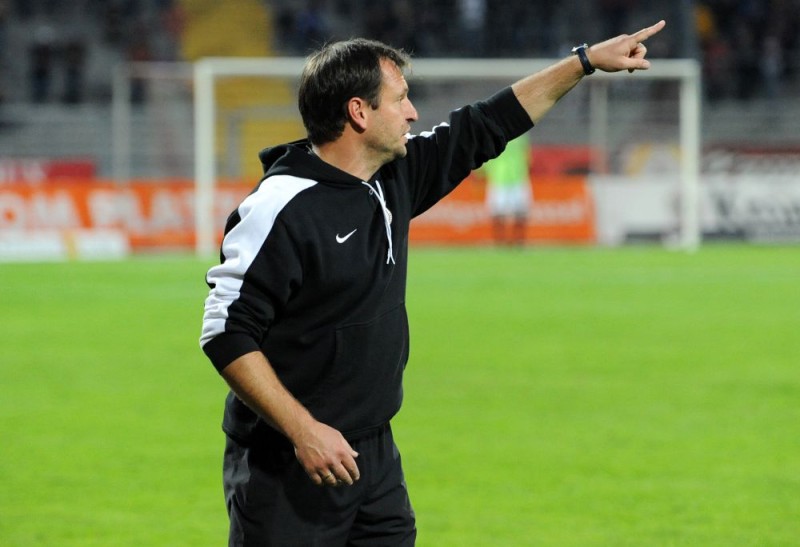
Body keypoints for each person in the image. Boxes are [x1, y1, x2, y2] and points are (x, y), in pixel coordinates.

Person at [200, 19, 666, 546]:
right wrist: (304, 432)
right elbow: (225, 331)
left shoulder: (392, 176)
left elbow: (488, 123)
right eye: (400, 99)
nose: (413, 112)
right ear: (359, 112)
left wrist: (583, 63)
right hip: (290, 461)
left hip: (373, 456)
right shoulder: (280, 207)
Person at [482, 131, 532, 246]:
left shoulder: (521, 134)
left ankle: (518, 242)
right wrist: (482, 173)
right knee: (497, 213)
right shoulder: (491, 134)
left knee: (521, 212)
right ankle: (500, 243)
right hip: (498, 178)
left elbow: (526, 155)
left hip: (518, 177)